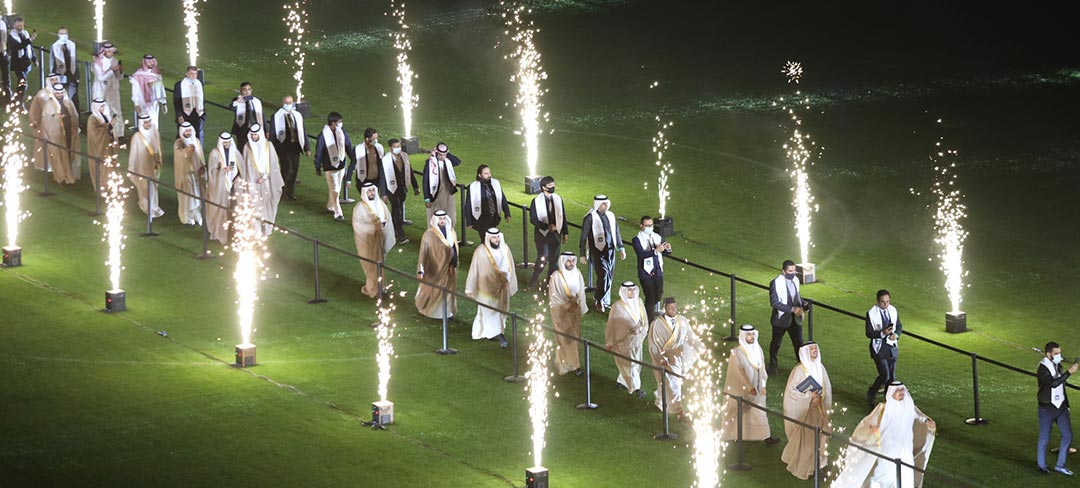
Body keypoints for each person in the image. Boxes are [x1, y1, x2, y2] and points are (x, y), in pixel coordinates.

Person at [834, 382, 937, 487]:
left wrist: (926, 420)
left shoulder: (908, 405)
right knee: (883, 476)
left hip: (905, 450)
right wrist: (874, 429)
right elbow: (870, 422)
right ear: (891, 392)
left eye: (902, 389)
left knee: (906, 475)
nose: (901, 392)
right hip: (888, 450)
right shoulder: (883, 408)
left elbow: (917, 415)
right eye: (898, 390)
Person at [780, 342, 832, 480]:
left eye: (816, 348)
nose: (815, 351)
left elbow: (826, 388)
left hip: (819, 411)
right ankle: (806, 468)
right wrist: (810, 397)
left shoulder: (821, 367)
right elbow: (792, 394)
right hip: (805, 413)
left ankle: (817, 466)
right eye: (812, 349)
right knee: (808, 443)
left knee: (820, 440)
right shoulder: (799, 371)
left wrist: (820, 399)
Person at [649, 296, 706, 418]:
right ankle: (679, 412)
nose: (674, 310)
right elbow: (654, 346)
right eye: (670, 308)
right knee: (673, 383)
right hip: (667, 360)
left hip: (679, 358)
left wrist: (700, 347)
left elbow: (691, 336)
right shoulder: (656, 325)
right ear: (665, 309)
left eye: (675, 307)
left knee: (669, 383)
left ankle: (660, 401)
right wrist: (662, 360)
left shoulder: (683, 321)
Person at [722, 324, 778, 446]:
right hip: (743, 391)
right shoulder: (736, 353)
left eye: (753, 334)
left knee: (760, 413)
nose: (752, 336)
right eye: (748, 334)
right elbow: (738, 373)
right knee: (736, 412)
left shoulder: (758, 349)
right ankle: (730, 435)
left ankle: (766, 437)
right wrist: (749, 387)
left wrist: (762, 385)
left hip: (757, 390)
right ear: (743, 336)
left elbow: (762, 369)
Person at [465, 228, 518, 348]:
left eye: (498, 237)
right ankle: (499, 334)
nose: (496, 240)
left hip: (502, 287)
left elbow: (510, 267)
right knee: (488, 311)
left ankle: (494, 332)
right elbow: (475, 270)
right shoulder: (481, 251)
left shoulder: (505, 249)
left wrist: (507, 280)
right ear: (489, 238)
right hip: (486, 288)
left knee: (501, 310)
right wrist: (470, 287)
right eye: (494, 238)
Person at [579, 195, 625, 312]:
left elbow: (616, 232)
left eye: (606, 203)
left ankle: (603, 299)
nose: (606, 205)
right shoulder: (589, 218)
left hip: (610, 250)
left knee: (609, 276)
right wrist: (582, 254)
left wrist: (621, 248)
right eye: (603, 204)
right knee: (603, 276)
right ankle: (599, 299)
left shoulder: (610, 215)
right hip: (597, 252)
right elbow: (583, 237)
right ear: (598, 205)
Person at [1037, 341, 1077, 475]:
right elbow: (1053, 384)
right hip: (1047, 408)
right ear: (1048, 354)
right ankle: (1041, 466)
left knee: (1068, 435)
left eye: (1060, 353)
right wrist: (1070, 372)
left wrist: (1067, 404)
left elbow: (1061, 386)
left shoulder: (1057, 365)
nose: (1060, 356)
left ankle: (1060, 465)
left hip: (1061, 407)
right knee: (1044, 438)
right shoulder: (1042, 368)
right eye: (1057, 354)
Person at [28, 83, 80, 185]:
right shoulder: (49, 104)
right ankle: (61, 177)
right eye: (57, 93)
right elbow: (46, 119)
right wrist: (58, 117)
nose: (59, 95)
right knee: (59, 157)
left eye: (61, 93)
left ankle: (69, 174)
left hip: (68, 133)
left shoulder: (68, 102)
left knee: (69, 153)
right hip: (56, 136)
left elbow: (74, 115)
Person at [352, 181, 396, 299]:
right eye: (369, 191)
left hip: (380, 240)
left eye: (372, 190)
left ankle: (381, 286)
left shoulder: (381, 204)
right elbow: (358, 226)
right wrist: (374, 227)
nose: (371, 193)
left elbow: (387, 217)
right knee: (370, 265)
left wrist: (384, 226)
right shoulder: (359, 208)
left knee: (380, 263)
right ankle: (373, 289)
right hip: (367, 242)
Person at [605, 282, 649, 399]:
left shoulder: (639, 302)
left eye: (633, 290)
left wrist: (640, 331)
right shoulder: (617, 306)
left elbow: (644, 319)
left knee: (636, 363)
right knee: (631, 364)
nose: (632, 292)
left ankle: (622, 381)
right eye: (629, 290)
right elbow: (612, 325)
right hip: (623, 342)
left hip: (637, 341)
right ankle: (636, 388)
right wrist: (610, 342)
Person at [239, 124, 283, 236]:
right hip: (253, 183)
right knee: (255, 206)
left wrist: (264, 177)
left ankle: (267, 229)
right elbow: (246, 167)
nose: (253, 137)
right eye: (252, 135)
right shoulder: (247, 147)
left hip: (267, 182)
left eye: (255, 135)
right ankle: (256, 230)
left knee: (268, 205)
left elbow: (273, 165)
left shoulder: (268, 146)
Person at [549, 252, 588, 376]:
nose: (570, 263)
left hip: (574, 311)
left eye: (572, 261)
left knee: (575, 338)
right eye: (568, 261)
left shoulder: (577, 274)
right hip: (561, 313)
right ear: (563, 261)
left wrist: (579, 305)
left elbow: (581, 292)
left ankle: (572, 363)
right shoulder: (556, 276)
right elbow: (554, 298)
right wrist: (568, 305)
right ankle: (568, 364)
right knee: (564, 338)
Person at [415, 210, 459, 319]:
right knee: (433, 290)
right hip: (434, 269)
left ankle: (447, 313)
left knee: (448, 291)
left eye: (444, 218)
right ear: (435, 220)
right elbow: (423, 253)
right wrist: (421, 270)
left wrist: (453, 265)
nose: (442, 221)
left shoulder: (451, 232)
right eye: (440, 219)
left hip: (449, 269)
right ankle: (430, 309)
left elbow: (454, 249)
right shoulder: (428, 235)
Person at [768, 259, 809, 375]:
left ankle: (802, 368)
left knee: (799, 344)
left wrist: (804, 304)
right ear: (783, 271)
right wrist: (792, 309)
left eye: (794, 270)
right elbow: (774, 303)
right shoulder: (775, 283)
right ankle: (772, 366)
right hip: (781, 319)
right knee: (776, 343)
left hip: (795, 319)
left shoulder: (795, 280)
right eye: (790, 271)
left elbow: (796, 296)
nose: (793, 273)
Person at [527, 176, 567, 286]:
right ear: (544, 187)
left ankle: (550, 282)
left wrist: (565, 233)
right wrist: (547, 226)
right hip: (542, 235)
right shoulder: (536, 201)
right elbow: (533, 219)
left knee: (554, 260)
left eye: (553, 185)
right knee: (543, 257)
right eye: (550, 186)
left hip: (555, 235)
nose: (553, 187)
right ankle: (534, 277)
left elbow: (562, 216)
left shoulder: (558, 199)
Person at [865, 289, 902, 408]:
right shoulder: (871, 313)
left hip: (892, 346)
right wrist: (882, 333)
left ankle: (888, 400)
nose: (885, 305)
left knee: (891, 377)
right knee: (885, 375)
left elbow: (899, 326)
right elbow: (869, 333)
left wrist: (895, 334)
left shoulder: (893, 310)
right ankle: (872, 392)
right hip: (879, 348)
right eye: (882, 302)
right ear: (877, 301)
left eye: (887, 302)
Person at [313, 112, 353, 221]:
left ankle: (330, 205)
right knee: (334, 189)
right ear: (333, 123)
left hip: (341, 165)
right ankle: (338, 213)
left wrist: (353, 159)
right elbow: (319, 152)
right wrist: (317, 166)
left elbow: (348, 146)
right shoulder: (323, 136)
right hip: (329, 167)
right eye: (339, 122)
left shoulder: (342, 133)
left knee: (337, 189)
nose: (341, 124)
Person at [632, 215, 672, 324]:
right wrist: (655, 251)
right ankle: (649, 322)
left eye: (651, 225)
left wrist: (668, 249)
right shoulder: (637, 239)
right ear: (641, 226)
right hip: (645, 273)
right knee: (650, 297)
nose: (650, 227)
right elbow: (641, 254)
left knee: (658, 295)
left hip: (658, 271)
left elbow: (665, 251)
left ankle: (643, 313)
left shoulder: (657, 237)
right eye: (647, 225)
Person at [269, 95, 309, 201]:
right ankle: (281, 190)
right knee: (287, 169)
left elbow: (303, 131)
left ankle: (290, 192)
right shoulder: (276, 116)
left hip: (295, 146)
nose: (288, 105)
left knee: (294, 170)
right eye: (286, 103)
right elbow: (273, 133)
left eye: (290, 102)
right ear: (282, 103)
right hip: (283, 146)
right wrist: (271, 148)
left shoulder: (297, 115)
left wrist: (307, 148)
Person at [380, 138, 419, 243]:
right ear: (390, 148)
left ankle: (395, 225)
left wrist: (416, 186)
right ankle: (400, 234)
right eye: (395, 146)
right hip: (391, 188)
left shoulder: (404, 156)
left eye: (399, 146)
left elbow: (410, 171)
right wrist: (383, 194)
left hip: (403, 188)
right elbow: (382, 177)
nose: (398, 148)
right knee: (396, 208)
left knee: (398, 207)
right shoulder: (385, 160)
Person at [205, 132, 240, 245]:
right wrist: (224, 171)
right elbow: (211, 171)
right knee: (220, 210)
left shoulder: (234, 152)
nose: (227, 144)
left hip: (233, 187)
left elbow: (241, 167)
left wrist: (238, 177)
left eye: (229, 142)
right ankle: (219, 233)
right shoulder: (214, 154)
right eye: (225, 142)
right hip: (220, 188)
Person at [128, 115, 165, 218]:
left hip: (153, 166)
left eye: (149, 122)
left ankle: (153, 206)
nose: (148, 124)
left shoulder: (155, 133)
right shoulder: (137, 137)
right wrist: (132, 168)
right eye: (146, 123)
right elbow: (133, 154)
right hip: (142, 167)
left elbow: (159, 148)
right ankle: (146, 206)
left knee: (153, 187)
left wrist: (158, 160)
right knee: (144, 188)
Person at [464, 164, 511, 242]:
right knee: (486, 239)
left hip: (494, 217)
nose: (489, 175)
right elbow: (468, 205)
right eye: (486, 173)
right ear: (479, 175)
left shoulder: (495, 183)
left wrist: (507, 213)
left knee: (492, 237)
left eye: (489, 173)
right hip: (481, 218)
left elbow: (502, 198)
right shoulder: (473, 187)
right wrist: (469, 222)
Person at [91, 42, 124, 140]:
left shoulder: (115, 60)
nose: (111, 53)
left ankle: (119, 134)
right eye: (109, 51)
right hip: (101, 89)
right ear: (104, 52)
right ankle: (102, 131)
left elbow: (119, 77)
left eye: (112, 51)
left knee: (116, 109)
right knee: (101, 110)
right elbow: (101, 78)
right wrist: (112, 70)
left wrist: (120, 70)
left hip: (113, 88)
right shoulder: (97, 63)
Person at [173, 122, 204, 226]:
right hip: (185, 176)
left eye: (189, 130)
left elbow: (200, 156)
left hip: (196, 175)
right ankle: (188, 218)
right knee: (187, 198)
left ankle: (196, 215)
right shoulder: (178, 143)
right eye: (185, 131)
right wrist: (187, 152)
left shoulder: (196, 141)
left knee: (197, 196)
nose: (188, 132)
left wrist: (202, 167)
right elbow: (179, 155)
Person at [422, 142, 460, 224]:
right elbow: (425, 181)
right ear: (436, 153)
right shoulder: (430, 163)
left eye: (444, 155)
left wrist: (447, 153)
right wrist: (426, 198)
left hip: (449, 194)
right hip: (436, 194)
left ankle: (449, 234)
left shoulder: (448, 162)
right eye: (440, 155)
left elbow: (457, 161)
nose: (442, 157)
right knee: (436, 219)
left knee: (452, 217)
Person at [87, 98, 119, 190]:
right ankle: (103, 188)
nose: (102, 108)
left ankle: (111, 187)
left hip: (108, 148)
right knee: (102, 169)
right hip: (99, 151)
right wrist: (108, 126)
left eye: (103, 106)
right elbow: (95, 135)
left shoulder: (104, 116)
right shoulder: (92, 119)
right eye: (100, 107)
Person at [130, 54, 167, 127]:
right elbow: (135, 90)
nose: (151, 63)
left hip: (154, 103)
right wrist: (136, 104)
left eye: (152, 61)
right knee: (145, 123)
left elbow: (161, 88)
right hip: (142, 102)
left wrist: (164, 103)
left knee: (155, 122)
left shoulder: (157, 74)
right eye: (149, 62)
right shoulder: (138, 75)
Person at [173, 66, 206, 143]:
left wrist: (203, 113)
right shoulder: (179, 85)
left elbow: (202, 99)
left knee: (196, 134)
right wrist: (179, 114)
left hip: (196, 113)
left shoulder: (199, 84)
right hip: (184, 113)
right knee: (183, 134)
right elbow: (176, 100)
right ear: (187, 74)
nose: (194, 76)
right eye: (191, 74)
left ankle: (196, 153)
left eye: (195, 74)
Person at [6, 17, 35, 101]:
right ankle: (20, 102)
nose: (21, 27)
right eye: (18, 25)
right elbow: (18, 47)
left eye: (22, 25)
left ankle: (16, 99)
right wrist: (30, 39)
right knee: (23, 82)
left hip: (27, 63)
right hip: (18, 64)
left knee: (21, 82)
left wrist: (34, 59)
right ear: (14, 25)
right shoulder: (11, 36)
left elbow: (30, 47)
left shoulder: (25, 33)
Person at [230, 82, 264, 151]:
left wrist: (266, 130)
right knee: (242, 149)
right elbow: (231, 107)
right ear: (241, 91)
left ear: (251, 90)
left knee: (255, 149)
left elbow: (262, 115)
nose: (247, 91)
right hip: (242, 129)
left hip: (255, 130)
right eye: (244, 89)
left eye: (249, 89)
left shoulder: (256, 101)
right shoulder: (237, 100)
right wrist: (237, 101)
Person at [50, 27, 79, 106]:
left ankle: (75, 116)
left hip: (72, 75)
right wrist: (53, 76)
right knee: (61, 97)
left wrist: (77, 76)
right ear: (58, 35)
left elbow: (75, 61)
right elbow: (52, 62)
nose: (64, 35)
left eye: (66, 33)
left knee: (73, 97)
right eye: (62, 34)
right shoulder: (55, 46)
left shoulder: (72, 44)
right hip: (61, 75)